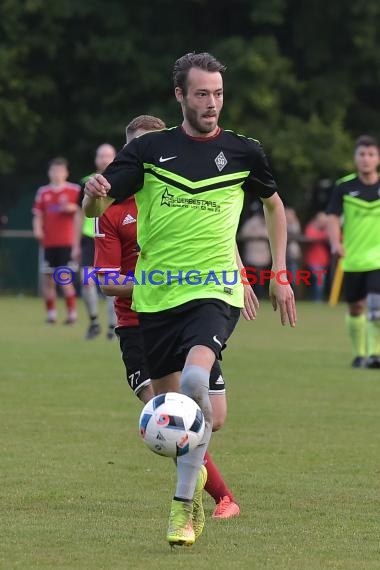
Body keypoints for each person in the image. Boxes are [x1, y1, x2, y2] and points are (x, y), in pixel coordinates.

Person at [84, 52, 296, 547]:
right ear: (180, 95)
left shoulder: (245, 152)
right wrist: (93, 193)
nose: (212, 103)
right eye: (202, 94)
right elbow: (99, 204)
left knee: (197, 377)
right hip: (156, 298)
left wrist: (279, 273)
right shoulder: (151, 150)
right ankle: (196, 480)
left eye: (218, 94)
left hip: (215, 289)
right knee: (175, 406)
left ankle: (183, 505)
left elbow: (274, 205)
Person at [94, 114, 241, 519]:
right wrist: (159, 283)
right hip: (138, 325)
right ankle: (213, 500)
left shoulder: (180, 193)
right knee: (168, 417)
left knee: (216, 417)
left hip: (190, 313)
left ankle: (208, 493)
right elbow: (106, 282)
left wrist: (239, 275)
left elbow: (220, 233)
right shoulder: (112, 208)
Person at [327, 135, 380, 369]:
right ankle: (359, 354)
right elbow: (332, 216)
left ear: (377, 158)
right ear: (355, 158)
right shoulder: (345, 187)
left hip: (377, 258)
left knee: (376, 306)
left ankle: (375, 355)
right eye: (362, 155)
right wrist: (335, 242)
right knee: (355, 307)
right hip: (353, 258)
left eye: (371, 155)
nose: (366, 159)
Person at [73, 144, 118, 340]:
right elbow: (78, 214)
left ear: (115, 157)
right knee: (86, 280)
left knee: (112, 283)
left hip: (111, 237)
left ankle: (112, 326)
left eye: (108, 155)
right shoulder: (86, 182)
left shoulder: (121, 178)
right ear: (96, 159)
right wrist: (74, 243)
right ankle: (94, 322)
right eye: (101, 155)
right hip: (89, 238)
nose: (104, 159)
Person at [32, 157, 79, 324]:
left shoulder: (74, 190)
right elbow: (37, 214)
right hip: (49, 243)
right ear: (49, 173)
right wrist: (37, 229)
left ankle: (72, 314)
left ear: (66, 173)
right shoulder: (43, 192)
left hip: (66, 243)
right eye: (54, 171)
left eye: (60, 171)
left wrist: (71, 208)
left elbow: (82, 211)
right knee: (48, 279)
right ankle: (51, 314)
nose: (57, 174)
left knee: (64, 278)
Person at [238, 209, 271, 299]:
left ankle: (262, 295)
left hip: (264, 255)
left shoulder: (268, 221)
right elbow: (243, 233)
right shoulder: (252, 222)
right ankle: (257, 295)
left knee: (263, 277)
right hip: (252, 254)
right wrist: (256, 236)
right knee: (254, 277)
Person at [304, 212, 330, 302]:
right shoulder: (311, 227)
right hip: (313, 261)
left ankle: (317, 299)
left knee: (320, 282)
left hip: (323, 261)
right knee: (320, 281)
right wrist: (324, 235)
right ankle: (317, 300)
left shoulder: (325, 229)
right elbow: (310, 236)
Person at [284, 207, 302, 294]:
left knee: (293, 275)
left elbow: (294, 234)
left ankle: (294, 293)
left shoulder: (295, 225)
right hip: (283, 254)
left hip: (292, 254)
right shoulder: (281, 223)